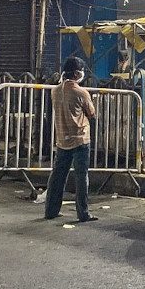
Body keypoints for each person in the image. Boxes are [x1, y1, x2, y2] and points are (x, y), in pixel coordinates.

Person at [45, 56, 97, 222]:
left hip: (62, 139)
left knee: (58, 176)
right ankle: (83, 213)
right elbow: (92, 114)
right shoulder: (81, 92)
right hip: (80, 139)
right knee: (82, 177)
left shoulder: (55, 90)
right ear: (76, 73)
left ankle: (51, 210)